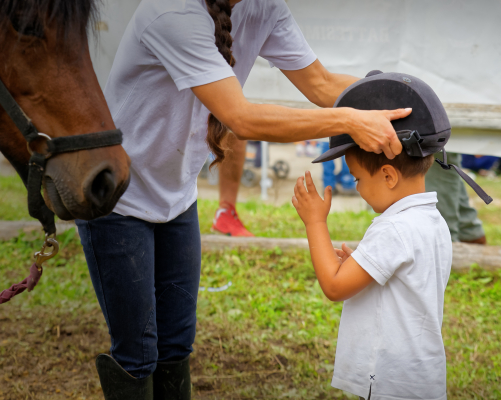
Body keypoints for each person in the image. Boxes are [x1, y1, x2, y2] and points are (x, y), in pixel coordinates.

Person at [76, 1, 413, 398]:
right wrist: (349, 121)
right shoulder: (172, 13)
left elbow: (321, 84)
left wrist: (411, 105)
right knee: (137, 355)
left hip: (177, 198)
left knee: (176, 345)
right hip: (118, 197)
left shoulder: (264, 7)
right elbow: (242, 118)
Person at [293, 71, 491, 399]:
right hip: (421, 378)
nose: (357, 188)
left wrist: (315, 222)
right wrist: (358, 265)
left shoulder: (393, 228)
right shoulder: (432, 221)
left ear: (387, 175)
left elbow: (333, 286)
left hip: (389, 382)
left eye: (357, 179)